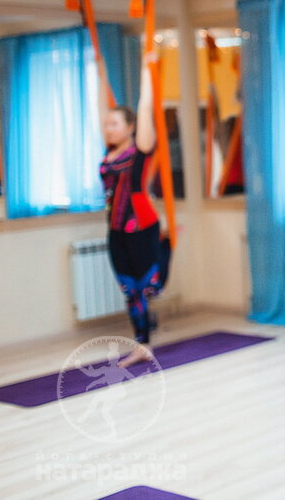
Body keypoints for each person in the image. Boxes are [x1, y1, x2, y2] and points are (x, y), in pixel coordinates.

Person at [96, 49, 171, 369]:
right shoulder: (108, 153)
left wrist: (146, 70)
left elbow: (145, 108)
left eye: (115, 124)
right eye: (107, 124)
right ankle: (142, 344)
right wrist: (100, 70)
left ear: (130, 127)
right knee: (129, 290)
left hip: (141, 226)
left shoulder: (140, 150)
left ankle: (143, 343)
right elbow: (101, 107)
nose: (109, 128)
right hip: (116, 230)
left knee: (146, 287)